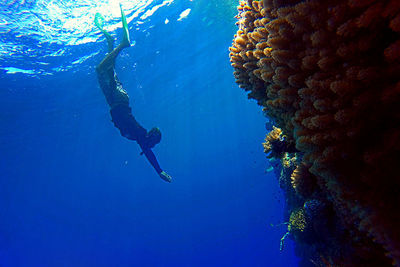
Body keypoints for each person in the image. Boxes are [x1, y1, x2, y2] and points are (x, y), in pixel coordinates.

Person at [95, 5, 172, 183]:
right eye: (154, 142)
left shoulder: (141, 136)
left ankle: (110, 41)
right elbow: (148, 153)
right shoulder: (140, 135)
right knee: (100, 69)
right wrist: (159, 171)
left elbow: (147, 149)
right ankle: (123, 44)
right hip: (118, 99)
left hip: (114, 101)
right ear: (151, 138)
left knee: (108, 68)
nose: (152, 145)